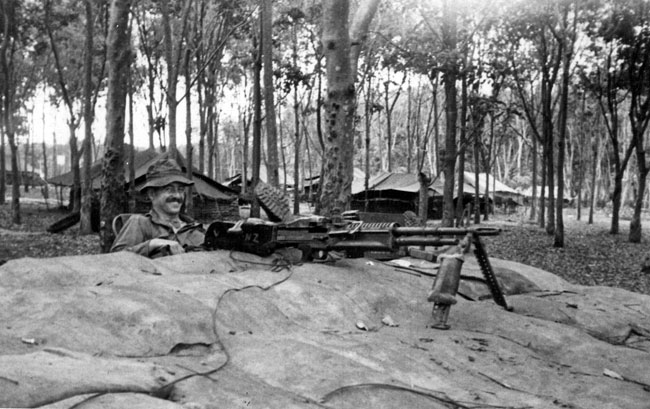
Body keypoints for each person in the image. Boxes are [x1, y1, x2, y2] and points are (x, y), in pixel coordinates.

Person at [111, 158, 205, 258]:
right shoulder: (140, 223)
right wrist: (152, 244)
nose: (177, 196)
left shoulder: (194, 228)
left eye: (181, 190)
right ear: (152, 194)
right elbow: (116, 259)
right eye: (169, 189)